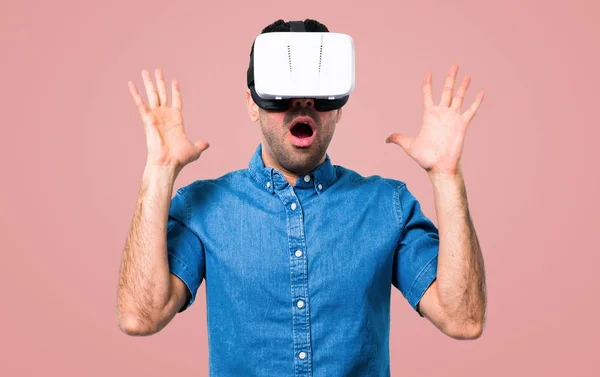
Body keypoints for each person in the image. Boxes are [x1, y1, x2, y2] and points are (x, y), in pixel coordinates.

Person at [117, 18, 487, 377]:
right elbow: (141, 316)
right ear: (251, 103)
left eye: (319, 96)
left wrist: (446, 176)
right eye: (284, 95)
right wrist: (159, 170)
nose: (303, 103)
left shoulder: (387, 205)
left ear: (339, 106)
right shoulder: (203, 207)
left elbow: (463, 319)